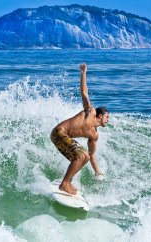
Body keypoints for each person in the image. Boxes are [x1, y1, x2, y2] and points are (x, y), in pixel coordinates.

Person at [50, 63, 109, 195]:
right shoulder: (90, 112)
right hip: (59, 132)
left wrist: (97, 171)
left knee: (85, 157)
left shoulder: (94, 135)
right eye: (107, 117)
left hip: (63, 139)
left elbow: (92, 155)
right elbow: (84, 92)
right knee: (81, 155)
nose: (108, 120)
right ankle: (64, 184)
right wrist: (83, 73)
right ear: (100, 115)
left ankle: (67, 181)